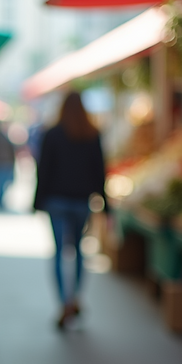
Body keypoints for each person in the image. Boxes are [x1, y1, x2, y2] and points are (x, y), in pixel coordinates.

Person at [33, 91, 107, 329]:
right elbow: (100, 172)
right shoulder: (92, 134)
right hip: (81, 201)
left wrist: (37, 201)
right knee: (77, 251)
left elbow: (43, 170)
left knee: (58, 252)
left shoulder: (52, 134)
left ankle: (63, 302)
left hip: (56, 201)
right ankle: (74, 297)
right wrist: (106, 203)